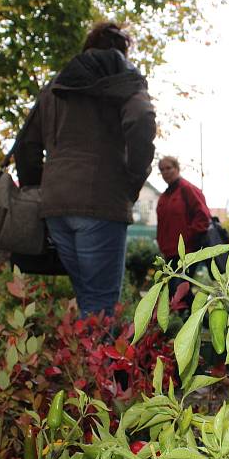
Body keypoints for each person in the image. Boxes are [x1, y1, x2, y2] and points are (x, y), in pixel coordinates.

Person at [15, 22, 156, 317]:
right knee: (101, 307)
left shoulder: (54, 86)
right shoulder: (123, 77)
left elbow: (26, 145)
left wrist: (39, 190)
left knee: (89, 302)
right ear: (122, 49)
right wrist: (132, 180)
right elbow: (142, 117)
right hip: (101, 203)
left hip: (55, 207)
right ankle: (95, 363)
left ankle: (80, 361)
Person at [156, 156, 211, 305]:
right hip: (169, 252)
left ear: (177, 168)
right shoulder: (164, 196)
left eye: (169, 168)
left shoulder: (187, 189)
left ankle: (201, 321)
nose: (165, 172)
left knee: (179, 289)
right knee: (175, 290)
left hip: (186, 251)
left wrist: (188, 238)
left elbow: (203, 217)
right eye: (162, 169)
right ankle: (191, 322)